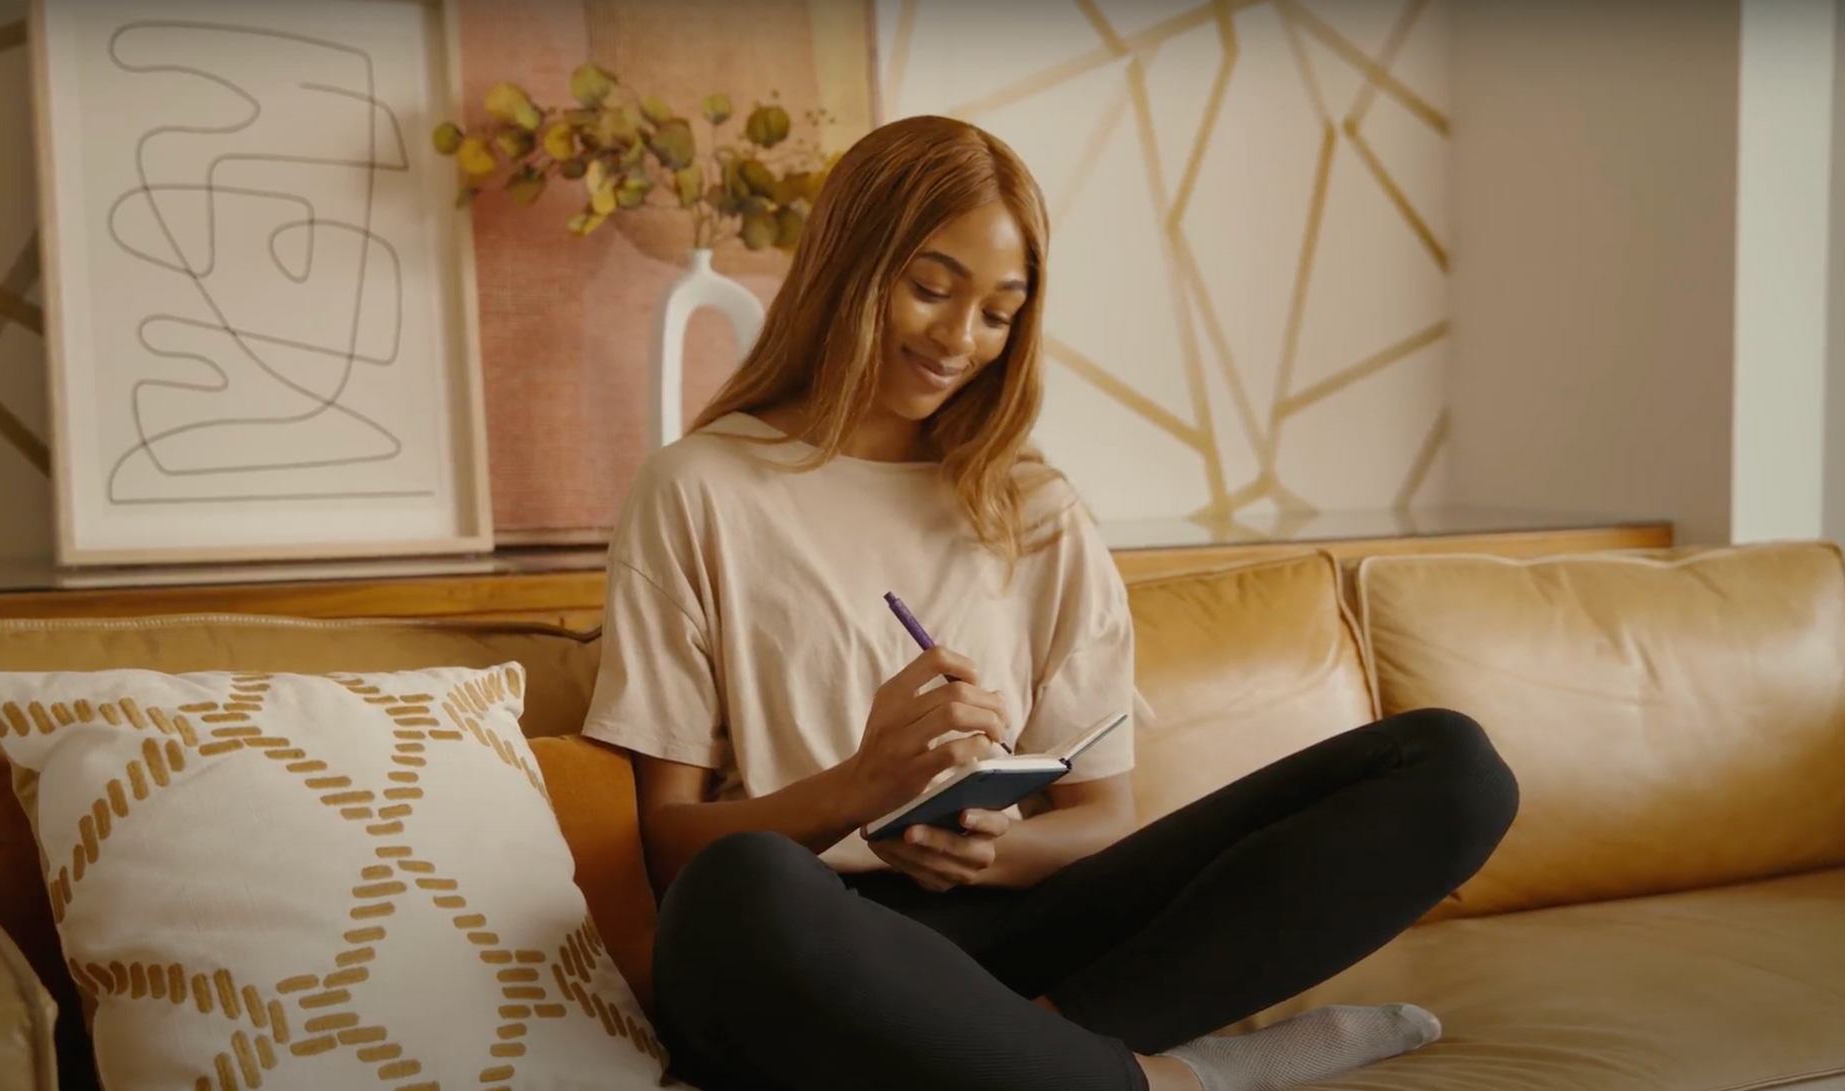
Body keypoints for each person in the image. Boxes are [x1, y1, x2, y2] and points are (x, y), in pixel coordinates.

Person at [580, 114, 1520, 1091]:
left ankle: (1041, 1054)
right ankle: (1166, 1077)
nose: (959, 338)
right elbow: (670, 845)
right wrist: (858, 786)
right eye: (931, 288)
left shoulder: (1029, 505)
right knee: (741, 886)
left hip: (1013, 938)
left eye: (998, 311)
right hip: (817, 939)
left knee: (1450, 766)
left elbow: (1101, 815)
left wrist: (988, 850)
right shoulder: (694, 488)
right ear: (847, 268)